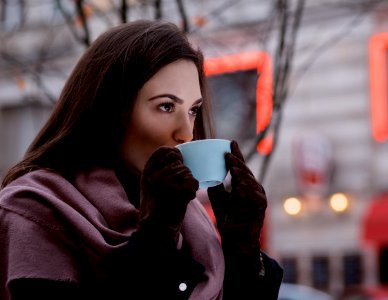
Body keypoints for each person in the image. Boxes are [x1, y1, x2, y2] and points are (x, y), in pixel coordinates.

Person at [0, 20, 283, 300]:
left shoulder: (190, 219)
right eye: (166, 106)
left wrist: (243, 251)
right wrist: (157, 236)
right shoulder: (36, 207)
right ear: (111, 110)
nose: (186, 133)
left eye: (193, 110)